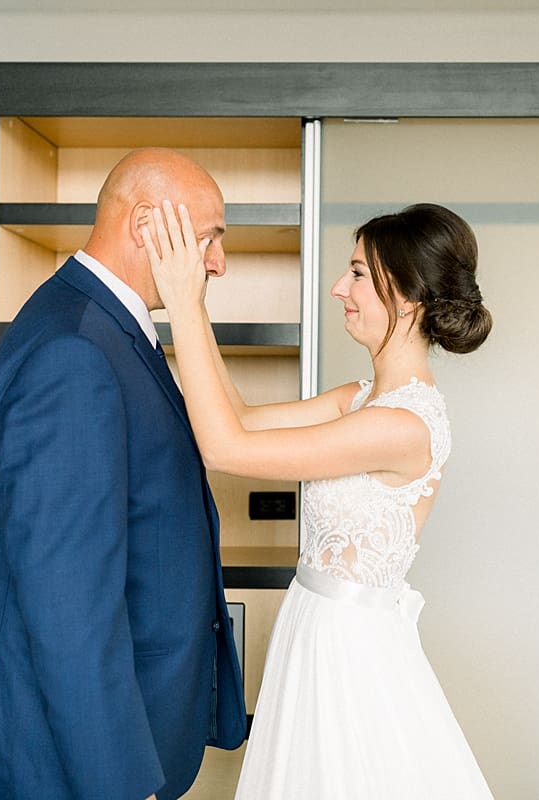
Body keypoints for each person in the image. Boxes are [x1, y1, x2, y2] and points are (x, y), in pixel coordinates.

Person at [145, 200, 495, 799]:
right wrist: (195, 302)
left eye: (357, 273)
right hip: (312, 625)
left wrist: (178, 303)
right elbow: (241, 418)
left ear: (407, 297)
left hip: (349, 650)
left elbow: (224, 449)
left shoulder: (403, 426)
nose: (339, 288)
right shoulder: (359, 399)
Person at [0, 149, 246, 800]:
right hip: (54, 756)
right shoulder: (74, 350)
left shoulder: (100, 325)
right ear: (145, 225)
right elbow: (68, 598)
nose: (218, 262)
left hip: (93, 734)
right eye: (209, 237)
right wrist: (118, 783)